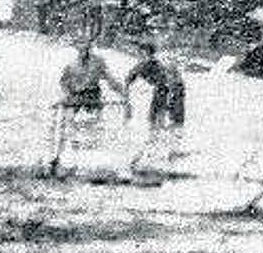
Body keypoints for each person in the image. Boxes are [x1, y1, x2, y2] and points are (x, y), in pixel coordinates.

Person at [49, 37, 128, 175]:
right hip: (75, 97)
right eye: (80, 46)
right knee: (66, 125)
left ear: (90, 47)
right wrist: (66, 96)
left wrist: (123, 94)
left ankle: (90, 162)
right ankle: (57, 158)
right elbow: (64, 83)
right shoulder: (71, 65)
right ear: (76, 48)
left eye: (85, 46)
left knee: (91, 129)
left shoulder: (98, 62)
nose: (83, 50)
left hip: (92, 97)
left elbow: (110, 79)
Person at [125, 40, 186, 128]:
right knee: (169, 120)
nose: (137, 54)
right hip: (172, 89)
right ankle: (164, 137)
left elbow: (129, 79)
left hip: (168, 89)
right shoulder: (156, 63)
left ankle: (159, 137)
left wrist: (126, 101)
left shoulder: (144, 64)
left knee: (156, 118)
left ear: (145, 52)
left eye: (139, 52)